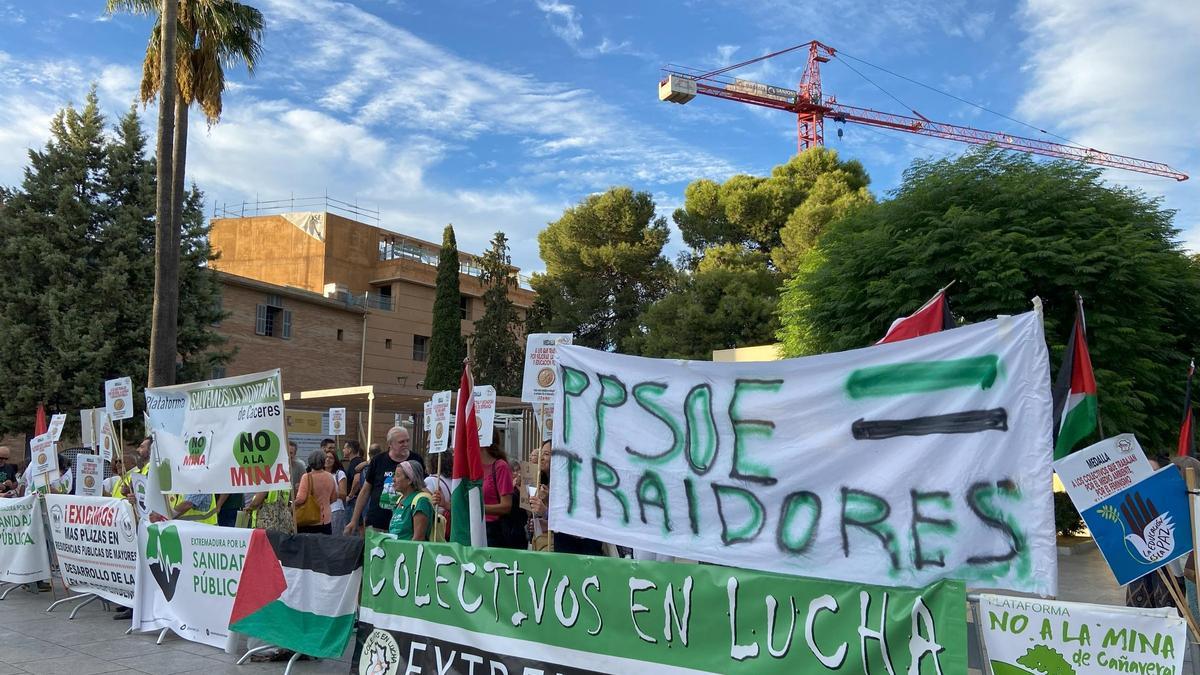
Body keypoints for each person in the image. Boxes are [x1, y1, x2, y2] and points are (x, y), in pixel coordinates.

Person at [529, 440, 604, 556]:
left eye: (547, 454)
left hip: (582, 553)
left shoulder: (576, 481)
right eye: (541, 454)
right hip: (562, 549)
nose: (541, 458)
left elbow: (573, 521)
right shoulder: (548, 483)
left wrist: (545, 512)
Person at [344, 426, 423, 534]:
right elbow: (365, 491)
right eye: (401, 442)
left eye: (407, 441)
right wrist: (354, 520)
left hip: (405, 525)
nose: (406, 444)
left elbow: (422, 487)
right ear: (390, 444)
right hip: (377, 523)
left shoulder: (416, 460)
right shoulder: (378, 460)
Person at [388, 460, 433, 541]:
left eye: (397, 476)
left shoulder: (421, 501)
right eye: (394, 475)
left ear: (409, 480)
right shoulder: (399, 499)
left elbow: (418, 539)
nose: (393, 479)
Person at [294, 450, 336, 534]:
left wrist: (291, 503)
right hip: (326, 520)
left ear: (310, 462)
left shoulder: (306, 477)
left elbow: (301, 499)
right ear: (323, 461)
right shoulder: (330, 476)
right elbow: (334, 498)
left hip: (309, 519)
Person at [344, 440, 368, 533]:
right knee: (361, 527)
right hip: (359, 499)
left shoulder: (355, 462)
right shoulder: (361, 461)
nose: (343, 450)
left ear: (350, 450)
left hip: (354, 500)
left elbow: (357, 479)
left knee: (353, 529)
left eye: (345, 448)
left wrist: (350, 495)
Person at [325, 450, 349, 534]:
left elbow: (343, 494)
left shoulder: (339, 473)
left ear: (335, 460)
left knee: (335, 537)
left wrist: (328, 493)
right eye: (326, 457)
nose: (327, 459)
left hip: (335, 510)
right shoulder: (320, 474)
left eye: (331, 458)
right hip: (322, 511)